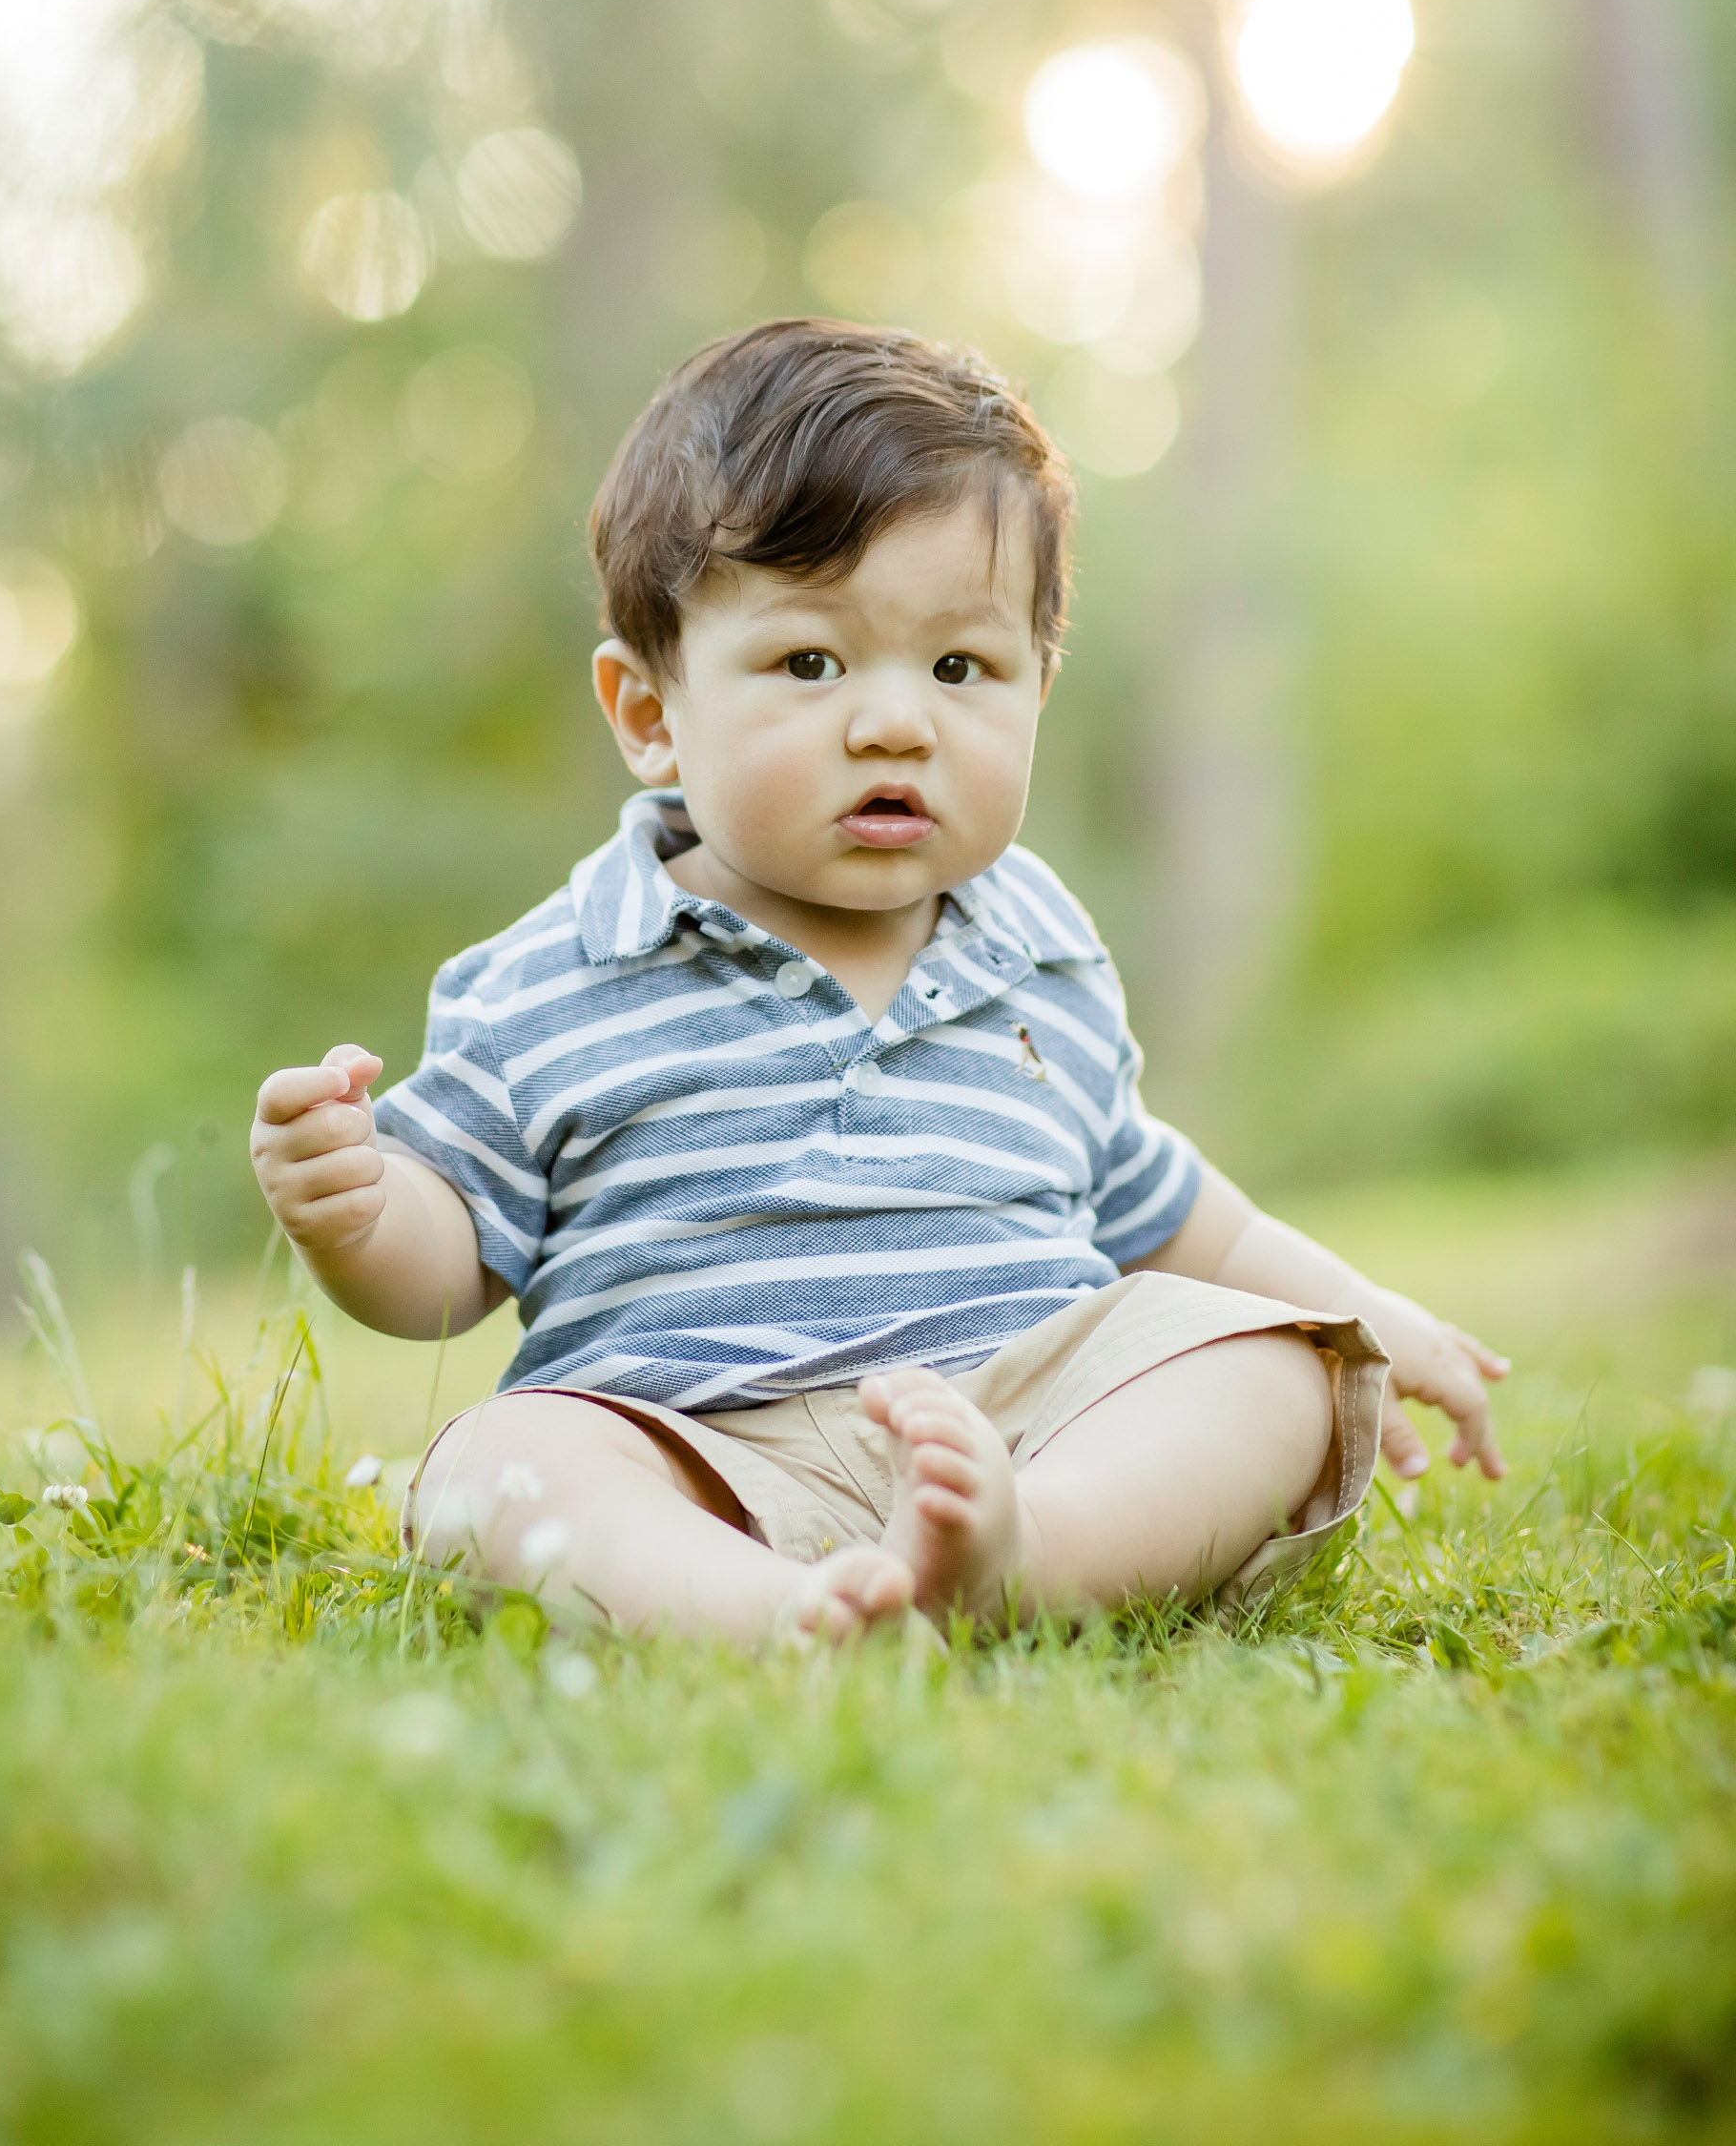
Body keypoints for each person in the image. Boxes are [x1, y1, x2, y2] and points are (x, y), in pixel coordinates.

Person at [251, 320, 1508, 1646]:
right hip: (699, 1461)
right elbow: (448, 1275)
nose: (897, 721)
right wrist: (359, 1209)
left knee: (1275, 1365)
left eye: (961, 668)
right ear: (649, 716)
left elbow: (1180, 1215)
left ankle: (1026, 1559)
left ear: (1038, 689)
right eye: (811, 663)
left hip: (1026, 1433)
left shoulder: (1040, 947)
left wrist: (1375, 1315)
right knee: (497, 1465)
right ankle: (770, 1614)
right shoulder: (548, 982)